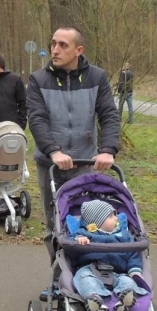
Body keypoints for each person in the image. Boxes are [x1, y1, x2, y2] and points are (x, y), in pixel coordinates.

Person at [28, 26, 121, 266]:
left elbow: (109, 115)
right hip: (51, 164)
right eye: (53, 44)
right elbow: (37, 119)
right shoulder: (38, 80)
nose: (55, 50)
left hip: (85, 163)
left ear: (79, 50)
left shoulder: (97, 78)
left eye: (63, 45)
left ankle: (88, 274)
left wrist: (108, 149)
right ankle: (59, 279)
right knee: (55, 224)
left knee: (87, 221)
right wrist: (53, 151)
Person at [66, 200, 148, 311]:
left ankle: (126, 297)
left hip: (117, 272)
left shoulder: (124, 236)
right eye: (111, 216)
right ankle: (94, 299)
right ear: (95, 223)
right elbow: (70, 244)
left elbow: (133, 254)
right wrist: (79, 240)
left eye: (115, 214)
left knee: (127, 281)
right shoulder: (85, 234)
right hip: (90, 270)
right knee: (84, 279)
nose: (116, 218)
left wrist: (134, 271)